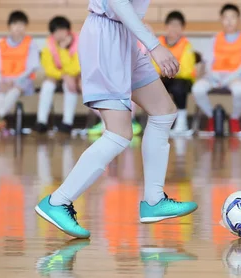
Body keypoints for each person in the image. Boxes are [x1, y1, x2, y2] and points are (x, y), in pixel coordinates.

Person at [35, 0, 198, 238]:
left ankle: (154, 200)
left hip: (125, 36)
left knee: (164, 111)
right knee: (119, 133)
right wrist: (154, 46)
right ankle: (58, 200)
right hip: (106, 36)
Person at [191, 3, 241, 136]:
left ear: (239, 19)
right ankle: (212, 117)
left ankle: (234, 119)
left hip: (237, 76)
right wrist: (215, 76)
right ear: (221, 19)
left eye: (233, 17)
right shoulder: (215, 39)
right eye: (226, 17)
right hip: (214, 76)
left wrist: (229, 78)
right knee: (197, 89)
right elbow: (208, 62)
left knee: (239, 90)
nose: (229, 21)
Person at [0, 10, 40, 134]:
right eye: (15, 24)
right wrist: (2, 82)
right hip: (4, 80)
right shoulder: (1, 44)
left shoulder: (30, 43)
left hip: (23, 81)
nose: (18, 28)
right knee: (0, 94)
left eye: (22, 25)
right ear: (9, 26)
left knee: (14, 91)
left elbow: (31, 68)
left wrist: (14, 81)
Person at [144, 11, 196, 134]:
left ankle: (181, 122)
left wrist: (171, 70)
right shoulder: (158, 42)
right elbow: (153, 64)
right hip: (163, 77)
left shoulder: (186, 45)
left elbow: (187, 69)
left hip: (182, 78)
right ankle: (157, 122)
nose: (174, 28)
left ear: (182, 28)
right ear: (166, 27)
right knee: (154, 88)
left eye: (178, 25)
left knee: (178, 87)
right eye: (172, 25)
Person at [34, 16, 81, 135]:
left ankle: (67, 123)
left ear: (68, 30)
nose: (59, 34)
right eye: (56, 31)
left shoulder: (79, 43)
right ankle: (41, 122)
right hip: (58, 76)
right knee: (47, 85)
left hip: (74, 76)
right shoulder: (48, 45)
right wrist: (64, 75)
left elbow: (77, 67)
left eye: (62, 30)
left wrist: (64, 50)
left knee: (69, 85)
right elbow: (49, 68)